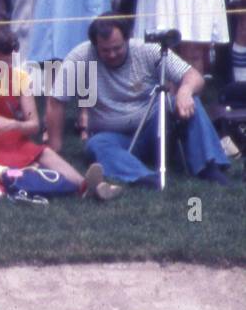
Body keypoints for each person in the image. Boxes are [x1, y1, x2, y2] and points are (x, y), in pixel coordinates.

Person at [47, 16, 229, 185]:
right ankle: (144, 177)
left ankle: (209, 166)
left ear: (127, 39)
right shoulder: (79, 57)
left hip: (156, 127)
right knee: (96, 145)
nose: (112, 54)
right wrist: (55, 148)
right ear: (94, 45)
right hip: (113, 136)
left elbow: (193, 76)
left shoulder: (148, 50)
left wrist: (185, 90)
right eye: (105, 50)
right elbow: (56, 100)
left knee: (192, 102)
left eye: (117, 48)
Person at [0, 27, 119, 202]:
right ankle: (77, 186)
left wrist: (13, 125)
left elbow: (34, 125)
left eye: (11, 55)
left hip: (11, 138)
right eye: (5, 55)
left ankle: (85, 185)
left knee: (43, 152)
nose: (10, 60)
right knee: (16, 168)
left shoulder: (19, 78)